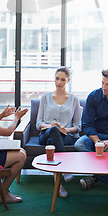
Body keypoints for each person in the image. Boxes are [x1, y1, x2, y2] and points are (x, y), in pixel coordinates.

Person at [36, 66, 81, 198]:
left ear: (68, 81)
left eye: (62, 79)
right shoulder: (45, 97)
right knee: (53, 131)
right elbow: (39, 123)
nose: (59, 82)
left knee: (53, 141)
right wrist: (51, 126)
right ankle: (64, 169)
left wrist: (65, 129)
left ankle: (58, 184)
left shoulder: (74, 99)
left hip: (65, 136)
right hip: (45, 134)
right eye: (56, 79)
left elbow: (77, 126)